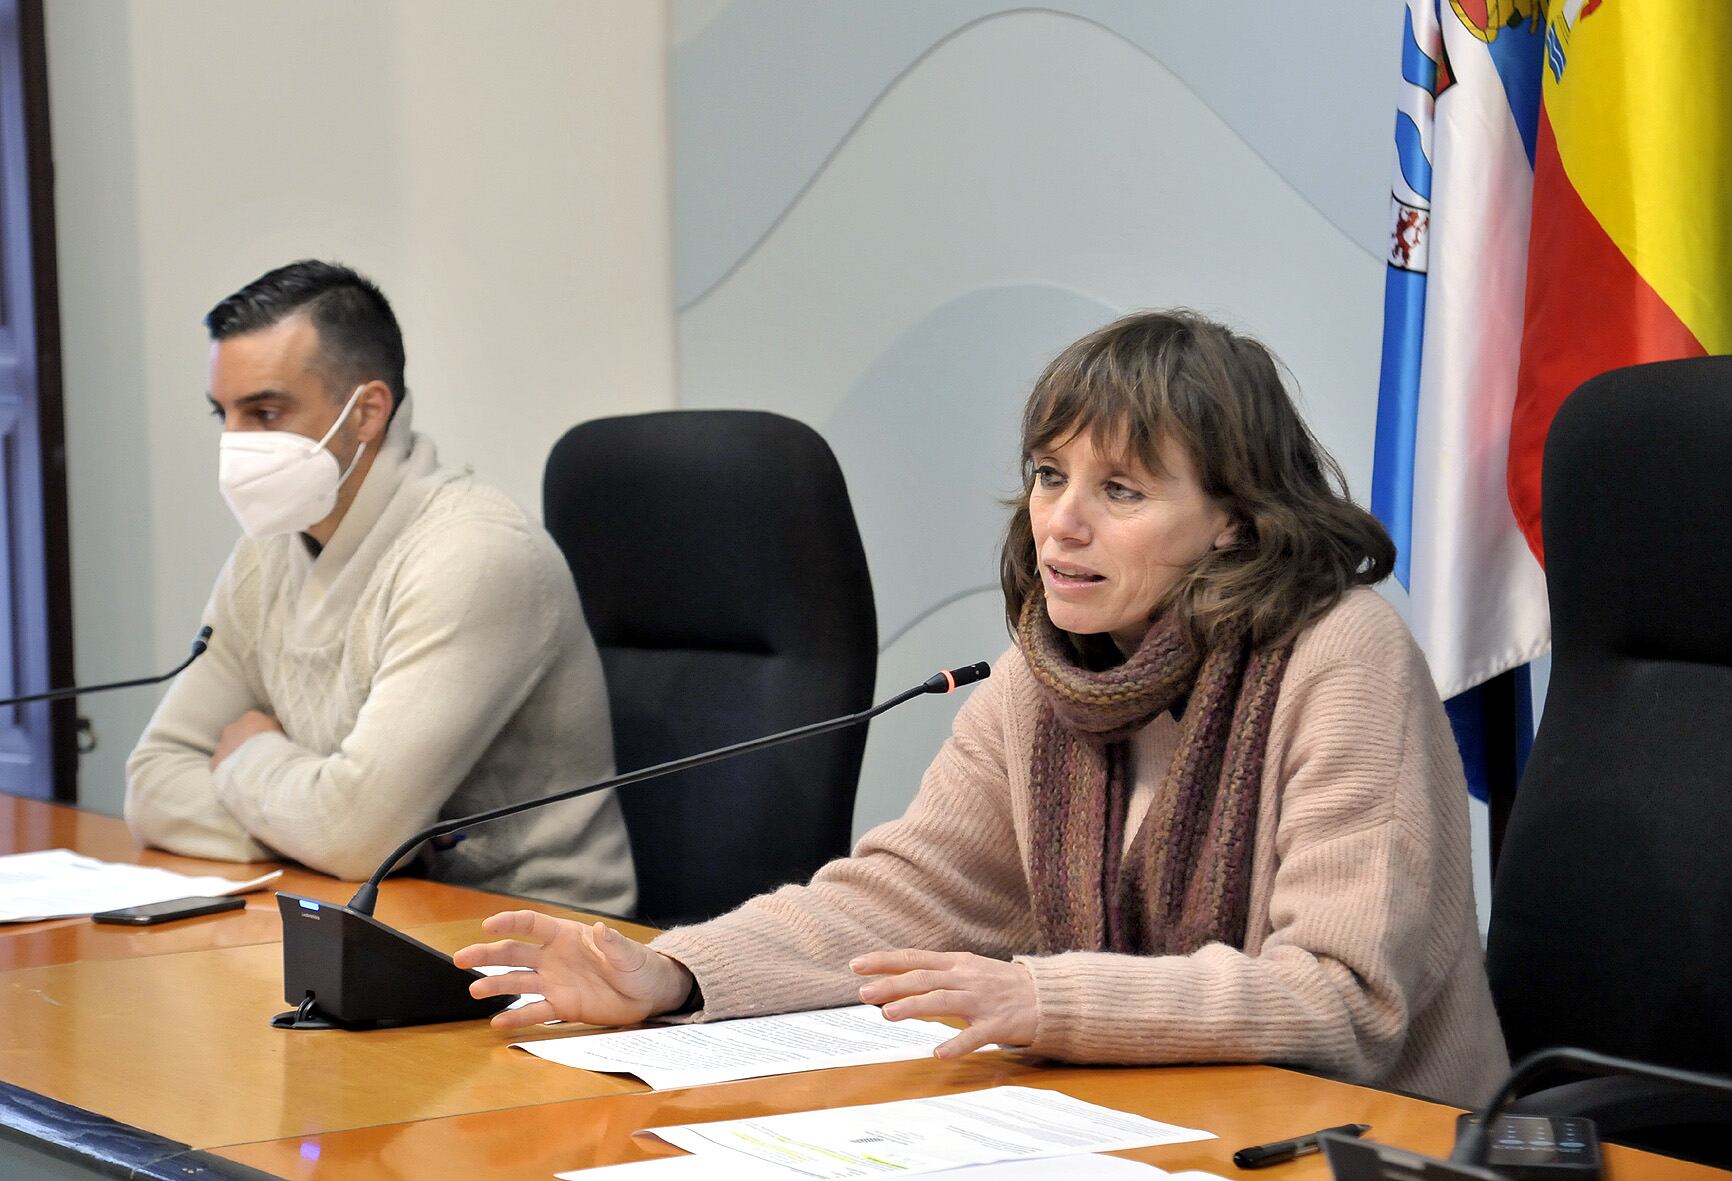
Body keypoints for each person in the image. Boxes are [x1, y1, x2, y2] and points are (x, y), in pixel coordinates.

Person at [455, 309, 1507, 1105]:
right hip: (1159, 1121)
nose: (1061, 525)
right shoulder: (1047, 673)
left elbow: (1341, 996)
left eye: (1122, 491)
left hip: (1373, 1139)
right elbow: (894, 899)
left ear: (1233, 522)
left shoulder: (1338, 653)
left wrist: (1050, 998)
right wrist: (676, 970)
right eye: (1049, 477)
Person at [126, 260, 635, 914]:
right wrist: (318, 823)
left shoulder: (472, 552)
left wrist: (248, 755)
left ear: (366, 412)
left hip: (533, 955)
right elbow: (153, 782)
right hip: (360, 918)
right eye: (222, 413)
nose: (233, 445)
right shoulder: (265, 554)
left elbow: (352, 833)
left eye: (265, 412)